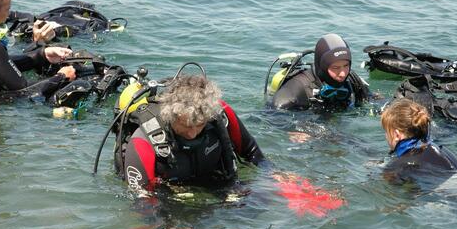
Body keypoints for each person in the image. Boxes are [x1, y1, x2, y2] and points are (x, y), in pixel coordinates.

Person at [115, 74, 265, 193]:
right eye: (185, 126)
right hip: (165, 198)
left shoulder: (220, 115)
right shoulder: (142, 141)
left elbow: (252, 152)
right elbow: (142, 200)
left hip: (214, 183)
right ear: (170, 117)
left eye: (200, 125)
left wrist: (276, 178)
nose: (192, 134)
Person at [271, 33, 370, 111]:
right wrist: (294, 129)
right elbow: (272, 115)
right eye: (335, 67)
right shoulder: (297, 87)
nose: (343, 73)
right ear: (322, 66)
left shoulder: (351, 80)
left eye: (346, 65)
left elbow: (372, 99)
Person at [380, 98, 457, 186]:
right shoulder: (441, 149)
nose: (386, 136)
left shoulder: (396, 167)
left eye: (386, 131)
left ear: (396, 135)